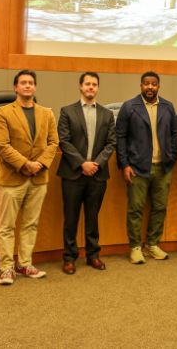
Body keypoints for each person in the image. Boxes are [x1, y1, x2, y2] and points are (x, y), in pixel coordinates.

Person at [0, 70, 59, 286]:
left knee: (31, 224)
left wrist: (39, 164)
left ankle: (25, 263)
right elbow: (2, 145)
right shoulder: (2, 112)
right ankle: (7, 268)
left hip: (39, 178)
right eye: (23, 83)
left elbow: (53, 143)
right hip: (12, 177)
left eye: (31, 83)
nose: (28, 86)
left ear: (35, 87)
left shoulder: (47, 113)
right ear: (15, 87)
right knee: (7, 226)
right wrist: (25, 164)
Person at [116, 71, 177, 265]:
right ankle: (135, 247)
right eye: (146, 84)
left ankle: (152, 244)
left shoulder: (168, 107)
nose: (150, 87)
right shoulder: (129, 107)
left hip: (163, 168)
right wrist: (124, 164)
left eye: (153, 84)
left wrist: (171, 159)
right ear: (141, 85)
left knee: (160, 208)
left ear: (158, 86)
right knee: (135, 209)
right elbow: (120, 137)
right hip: (137, 168)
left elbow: (174, 135)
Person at [57, 72, 116, 274]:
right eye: (87, 84)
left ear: (98, 88)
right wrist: (82, 164)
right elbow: (63, 141)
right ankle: (69, 257)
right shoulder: (67, 111)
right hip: (73, 174)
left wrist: (96, 164)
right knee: (71, 217)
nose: (91, 87)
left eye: (94, 84)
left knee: (93, 217)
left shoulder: (107, 114)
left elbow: (111, 143)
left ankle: (93, 255)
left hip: (97, 175)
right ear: (80, 87)